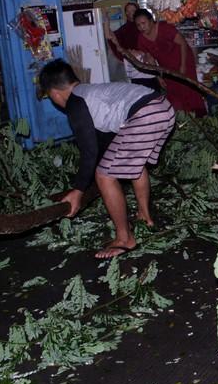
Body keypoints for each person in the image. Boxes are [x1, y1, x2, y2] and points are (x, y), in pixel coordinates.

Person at [38, 59, 175, 259]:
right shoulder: (91, 92)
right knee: (132, 162)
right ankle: (145, 216)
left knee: (104, 175)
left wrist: (78, 190)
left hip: (145, 114)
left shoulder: (75, 103)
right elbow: (106, 143)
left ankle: (124, 239)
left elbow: (89, 151)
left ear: (54, 93)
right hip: (163, 108)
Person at [133, 8, 207, 115]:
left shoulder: (165, 28)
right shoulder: (141, 39)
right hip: (166, 67)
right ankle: (181, 119)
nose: (141, 27)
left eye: (143, 23)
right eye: (138, 25)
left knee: (189, 89)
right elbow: (150, 59)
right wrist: (159, 77)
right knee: (173, 92)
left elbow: (182, 43)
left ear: (151, 20)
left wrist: (183, 66)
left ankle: (199, 115)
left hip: (184, 59)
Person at [106, 2, 160, 91]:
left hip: (150, 63)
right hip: (134, 66)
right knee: (139, 91)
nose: (130, 13)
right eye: (127, 11)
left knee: (154, 88)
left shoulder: (145, 25)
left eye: (133, 10)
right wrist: (105, 22)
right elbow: (112, 39)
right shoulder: (123, 30)